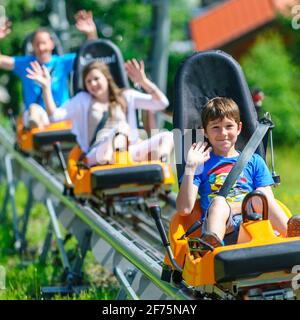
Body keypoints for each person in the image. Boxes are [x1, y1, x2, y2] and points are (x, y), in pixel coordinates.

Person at [176, 97, 300, 249]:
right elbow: (184, 209)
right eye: (215, 127)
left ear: (239, 128)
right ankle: (210, 246)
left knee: (260, 194)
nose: (223, 133)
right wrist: (190, 167)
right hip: (224, 230)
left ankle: (291, 236)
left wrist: (238, 207)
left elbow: (266, 202)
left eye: (229, 126)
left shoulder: (254, 161)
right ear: (205, 132)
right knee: (219, 202)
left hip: (253, 223)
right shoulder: (200, 164)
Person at [25, 59, 173, 166]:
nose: (93, 84)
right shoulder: (83, 100)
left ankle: (160, 165)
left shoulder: (126, 96)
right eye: (88, 81)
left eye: (96, 79)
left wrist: (144, 82)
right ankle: (109, 161)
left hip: (127, 152)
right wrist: (46, 88)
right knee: (122, 128)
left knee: (168, 136)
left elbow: (161, 103)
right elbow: (55, 117)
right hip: (97, 153)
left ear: (107, 78)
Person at [0, 10, 98, 128]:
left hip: (61, 112)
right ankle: (40, 133)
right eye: (37, 44)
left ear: (51, 44)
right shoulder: (25, 64)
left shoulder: (62, 62)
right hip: (36, 115)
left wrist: (91, 33)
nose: (41, 48)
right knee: (34, 110)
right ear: (33, 47)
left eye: (44, 43)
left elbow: (89, 55)